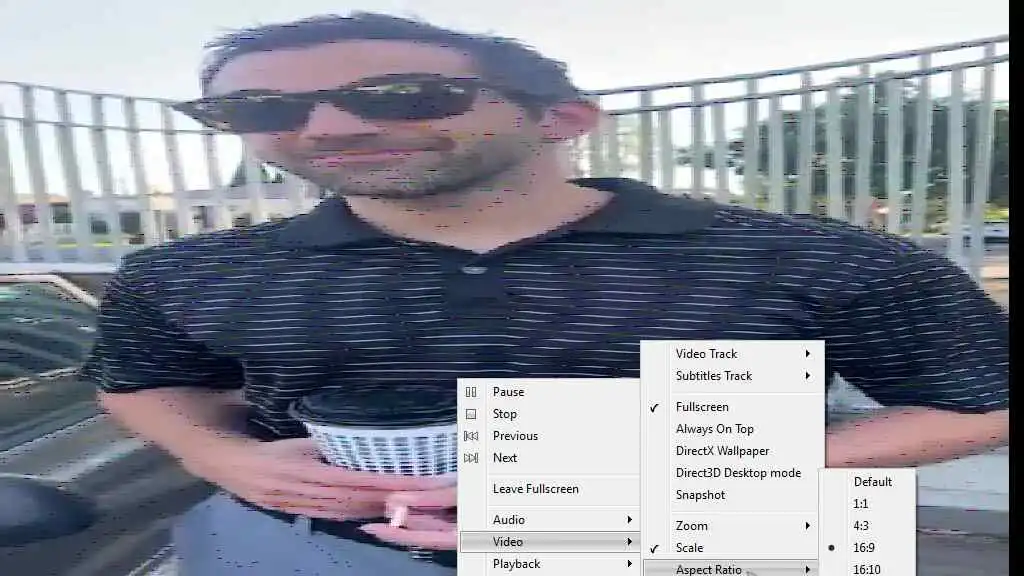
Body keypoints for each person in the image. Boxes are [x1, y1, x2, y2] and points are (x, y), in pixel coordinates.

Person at [80, 11, 1009, 576]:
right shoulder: (185, 271)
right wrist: (220, 457)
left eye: (402, 94)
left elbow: (980, 403)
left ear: (561, 117)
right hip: (306, 551)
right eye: (261, 109)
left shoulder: (816, 259)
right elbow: (143, 384)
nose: (326, 126)